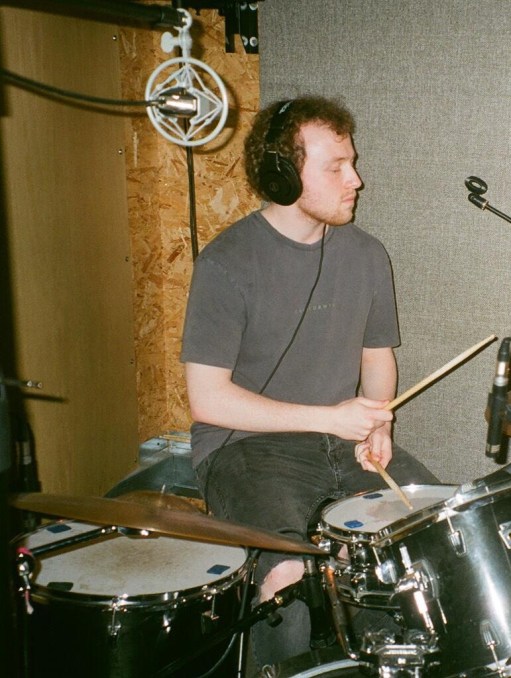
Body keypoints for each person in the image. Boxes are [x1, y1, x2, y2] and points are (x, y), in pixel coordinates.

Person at [181, 95, 437, 669]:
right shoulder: (226, 263)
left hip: (343, 443)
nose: (356, 180)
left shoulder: (367, 255)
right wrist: (330, 418)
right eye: (336, 167)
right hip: (245, 449)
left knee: (432, 539)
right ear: (283, 175)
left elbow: (376, 357)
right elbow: (208, 399)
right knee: (290, 575)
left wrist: (378, 423)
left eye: (353, 163)